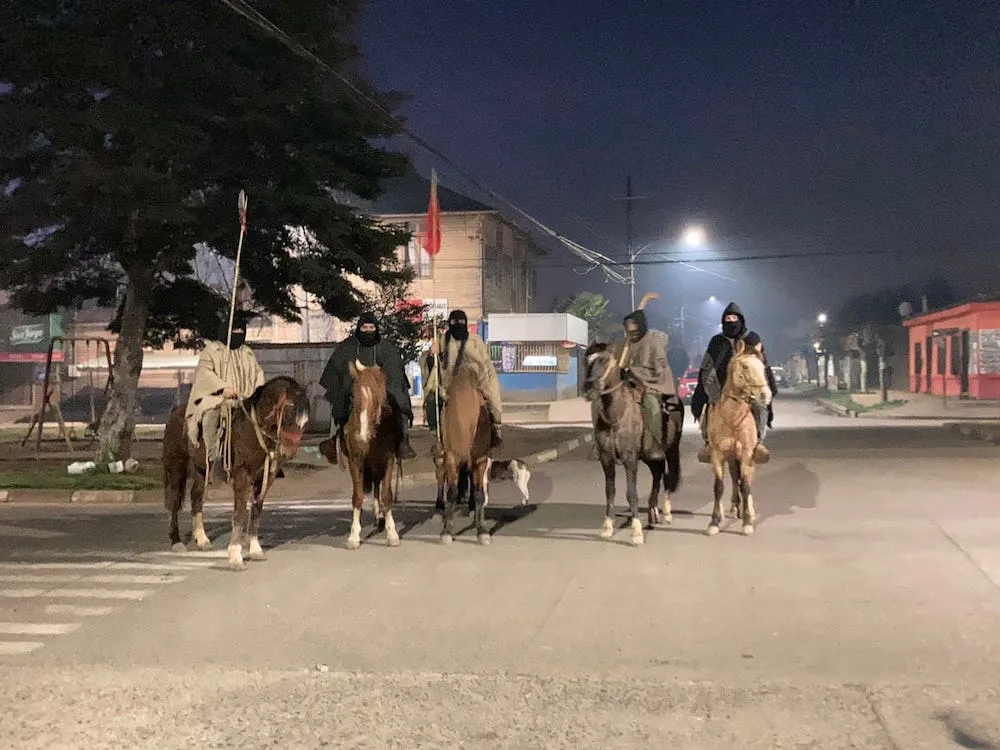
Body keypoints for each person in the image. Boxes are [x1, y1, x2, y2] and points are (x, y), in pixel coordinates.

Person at [319, 312, 416, 461]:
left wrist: (381, 385)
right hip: (355, 390)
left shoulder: (385, 347)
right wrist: (353, 383)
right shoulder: (347, 346)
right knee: (340, 403)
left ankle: (403, 440)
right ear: (359, 328)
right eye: (365, 327)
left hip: (382, 391)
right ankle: (335, 440)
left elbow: (394, 372)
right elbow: (338, 371)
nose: (368, 330)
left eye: (372, 327)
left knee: (398, 402)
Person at [690, 302, 776, 464]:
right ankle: (709, 442)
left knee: (760, 406)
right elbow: (708, 365)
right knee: (708, 409)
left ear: (741, 320)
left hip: (748, 387)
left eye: (734, 317)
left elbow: (760, 364)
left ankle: (758, 442)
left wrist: (761, 384)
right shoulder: (717, 341)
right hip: (723, 388)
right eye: (728, 318)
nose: (731, 321)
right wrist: (711, 388)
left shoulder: (752, 339)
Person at [184, 310, 266, 475]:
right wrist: (223, 388)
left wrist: (257, 392)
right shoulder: (212, 351)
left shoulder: (247, 353)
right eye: (234, 331)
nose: (238, 334)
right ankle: (213, 458)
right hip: (217, 398)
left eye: (241, 332)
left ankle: (267, 458)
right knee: (211, 417)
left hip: (245, 399)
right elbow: (204, 373)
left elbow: (258, 374)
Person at [425, 310, 503, 448]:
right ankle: (438, 436)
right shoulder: (443, 341)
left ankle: (494, 429)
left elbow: (484, 363)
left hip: (473, 382)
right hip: (448, 385)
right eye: (454, 322)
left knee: (490, 402)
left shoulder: (475, 341)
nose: (457, 325)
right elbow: (434, 364)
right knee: (432, 400)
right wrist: (432, 354)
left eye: (460, 322)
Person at [619, 308, 680, 461]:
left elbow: (660, 366)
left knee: (652, 405)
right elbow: (620, 362)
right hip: (629, 383)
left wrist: (639, 373)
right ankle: (608, 443)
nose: (630, 330)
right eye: (627, 327)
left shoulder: (653, 342)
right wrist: (621, 370)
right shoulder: (626, 343)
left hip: (651, 384)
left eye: (632, 326)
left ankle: (654, 444)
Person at [419, 319, 449, 436]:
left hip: (449, 384)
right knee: (431, 400)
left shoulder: (449, 351)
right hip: (435, 386)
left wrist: (441, 355)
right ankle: (434, 429)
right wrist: (432, 356)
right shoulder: (426, 355)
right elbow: (425, 367)